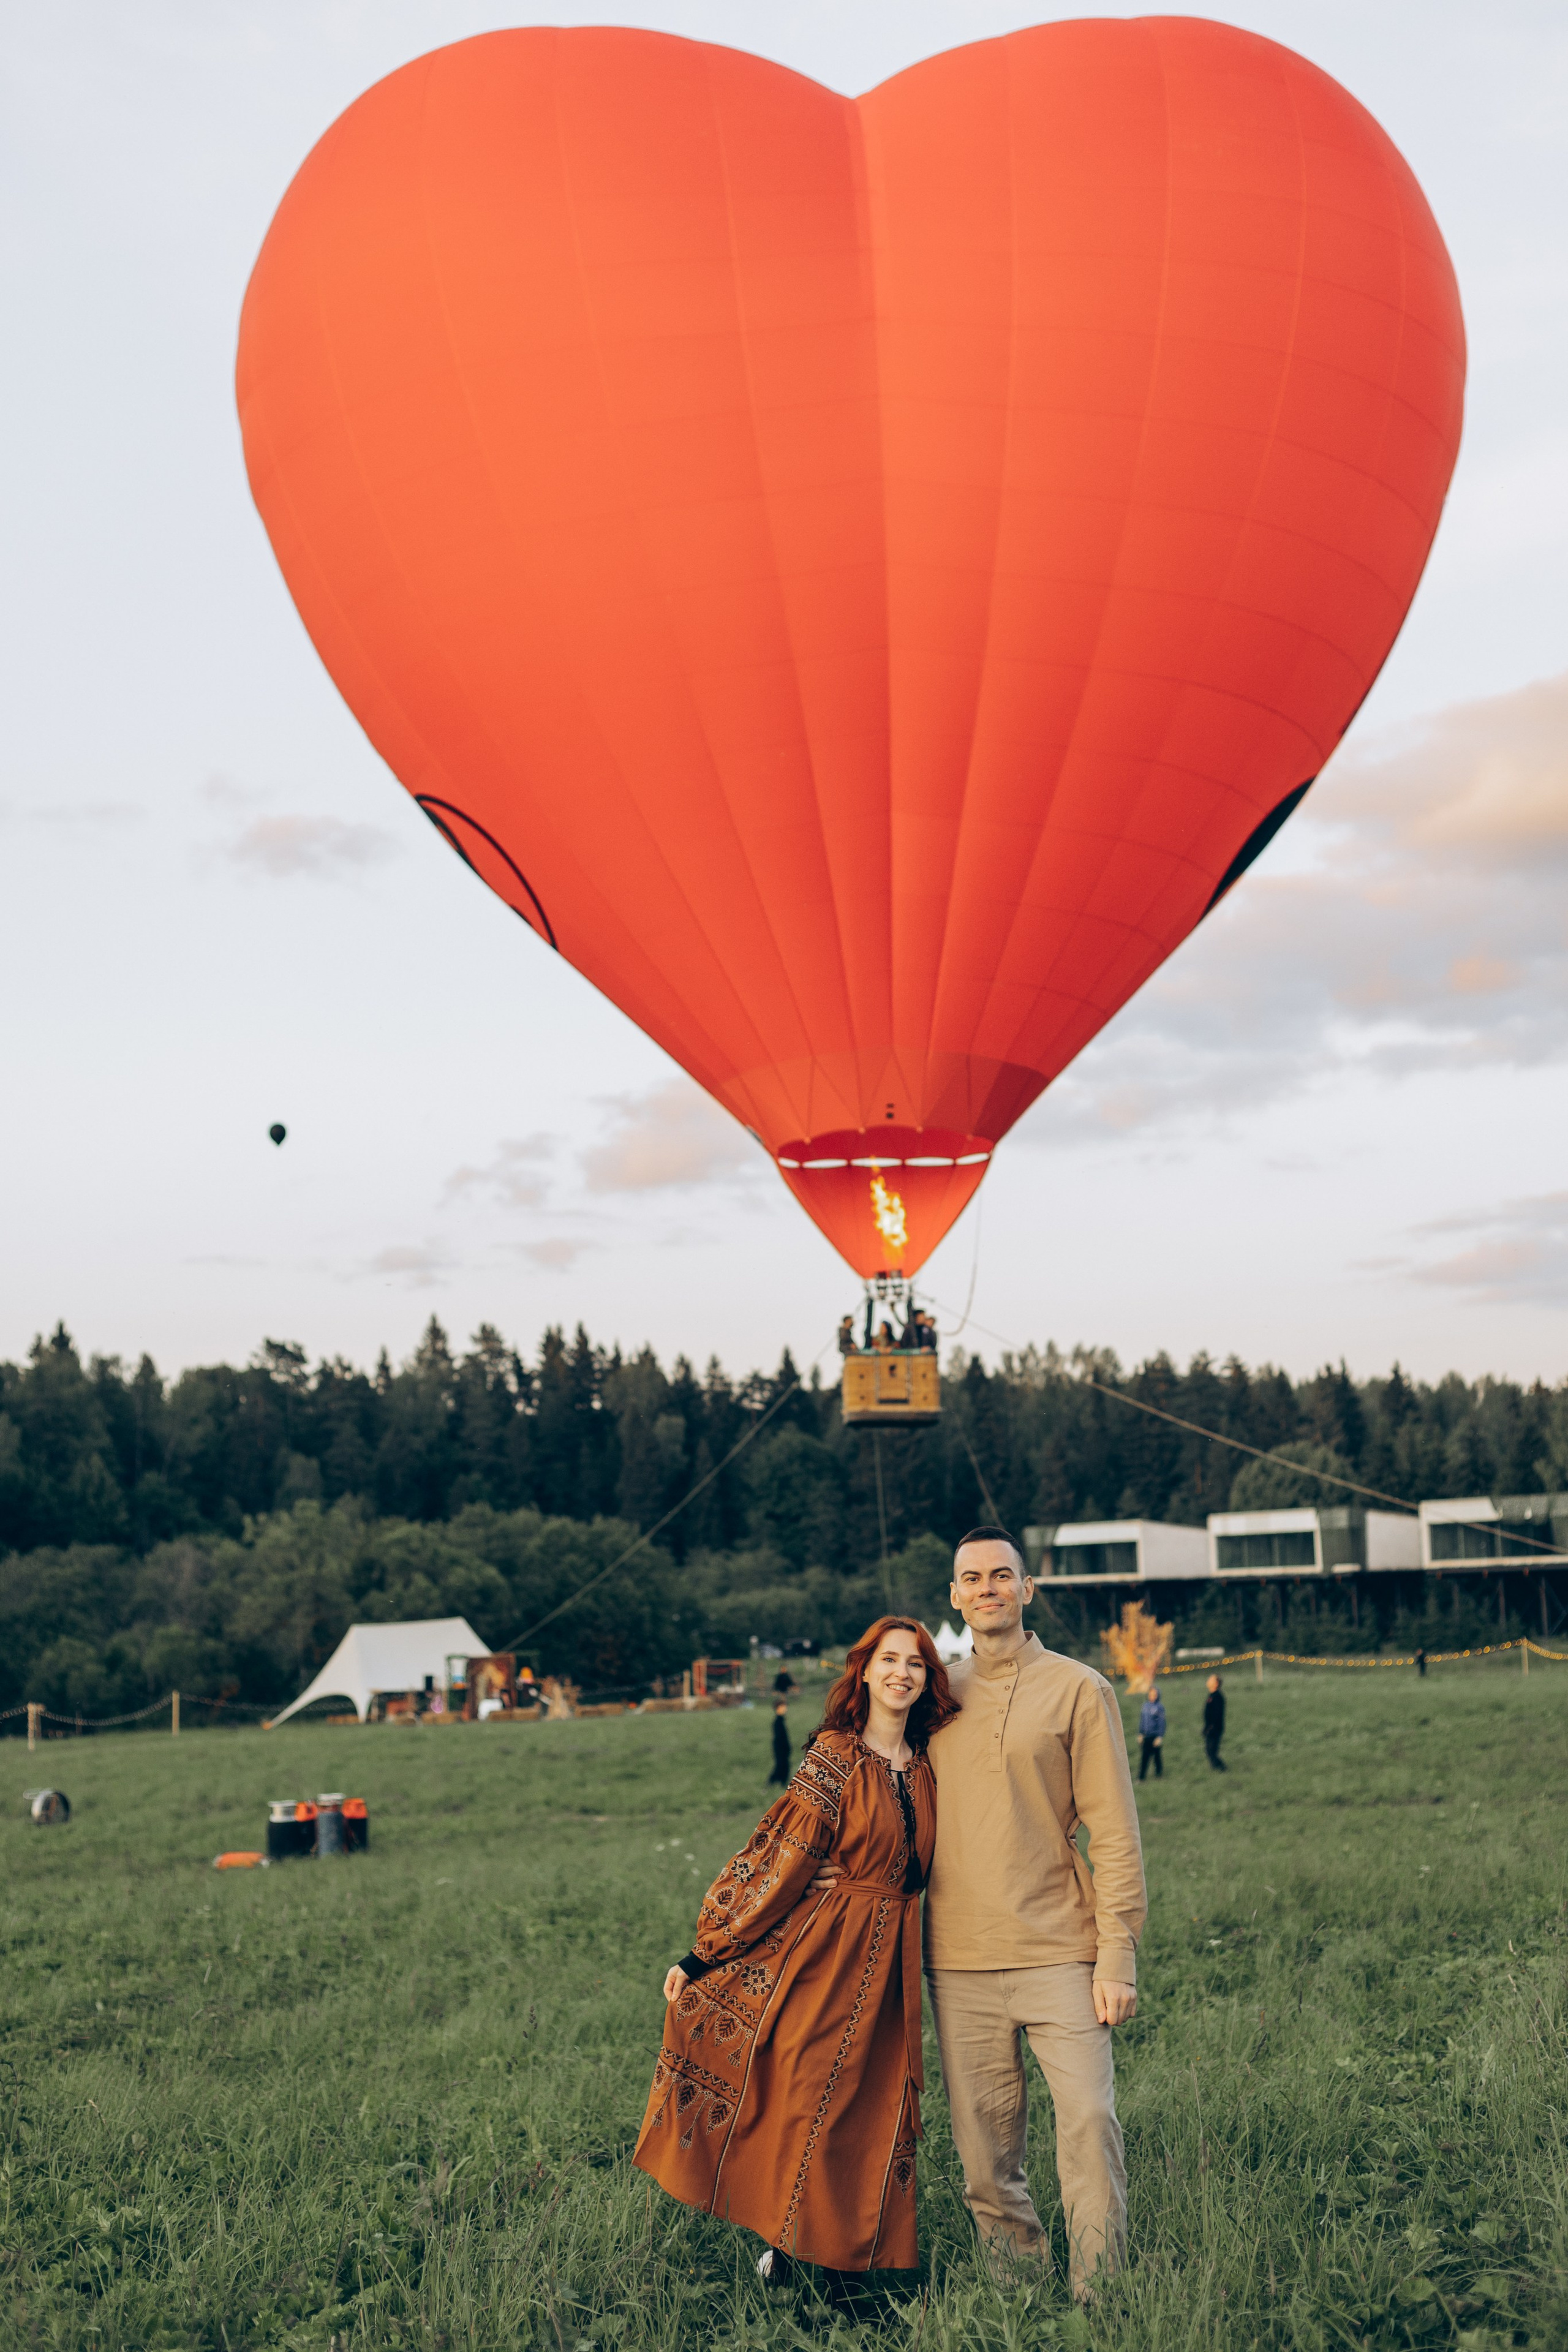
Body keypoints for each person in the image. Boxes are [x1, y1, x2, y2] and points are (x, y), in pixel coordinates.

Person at [634, 1617, 959, 2291]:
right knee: (812, 2100)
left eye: (916, 1663)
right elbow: (779, 1858)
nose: (901, 1673)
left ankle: (853, 2258)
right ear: (864, 1671)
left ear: (929, 1679)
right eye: (889, 1660)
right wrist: (703, 1956)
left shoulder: (930, 1764)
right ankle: (790, 2249)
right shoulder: (836, 1756)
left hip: (891, 1963)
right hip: (824, 1955)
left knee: (874, 2111)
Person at [922, 1527, 1147, 2299]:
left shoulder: (1079, 1688)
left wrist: (1117, 1955)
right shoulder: (933, 1696)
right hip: (957, 1958)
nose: (986, 1588)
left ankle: (1099, 2294)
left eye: (1001, 1575)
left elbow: (1114, 1831)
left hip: (1060, 1950)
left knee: (1087, 2121)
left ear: (1027, 1589)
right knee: (984, 2153)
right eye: (971, 1578)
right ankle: (1017, 2290)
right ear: (955, 1596)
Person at [1137, 1685, 1165, 1780]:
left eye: (1155, 1694)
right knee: (1145, 1757)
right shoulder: (1145, 1706)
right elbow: (1142, 1721)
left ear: (1158, 1695)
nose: (1153, 1696)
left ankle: (1159, 1775)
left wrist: (1159, 1737)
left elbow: (1161, 1723)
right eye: (1151, 1694)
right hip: (1146, 1736)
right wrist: (1140, 1734)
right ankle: (1141, 1777)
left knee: (1157, 1757)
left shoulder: (1159, 1707)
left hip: (1155, 1737)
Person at [1202, 1673, 1226, 1771]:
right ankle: (1215, 1768)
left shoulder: (1218, 1697)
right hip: (1210, 1727)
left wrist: (1211, 1727)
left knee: (1212, 1750)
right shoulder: (1211, 1695)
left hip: (1215, 1728)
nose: (1208, 1680)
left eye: (1211, 1679)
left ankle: (1222, 1768)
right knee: (1209, 1750)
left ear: (1216, 1684)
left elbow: (1217, 1714)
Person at [769, 1698, 791, 1787]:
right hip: (780, 1748)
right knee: (780, 1766)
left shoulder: (781, 1720)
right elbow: (779, 1737)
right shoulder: (778, 1722)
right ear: (778, 1708)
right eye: (783, 1707)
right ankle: (772, 1782)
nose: (785, 1709)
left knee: (784, 1765)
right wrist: (783, 1748)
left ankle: (782, 1783)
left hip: (782, 1748)